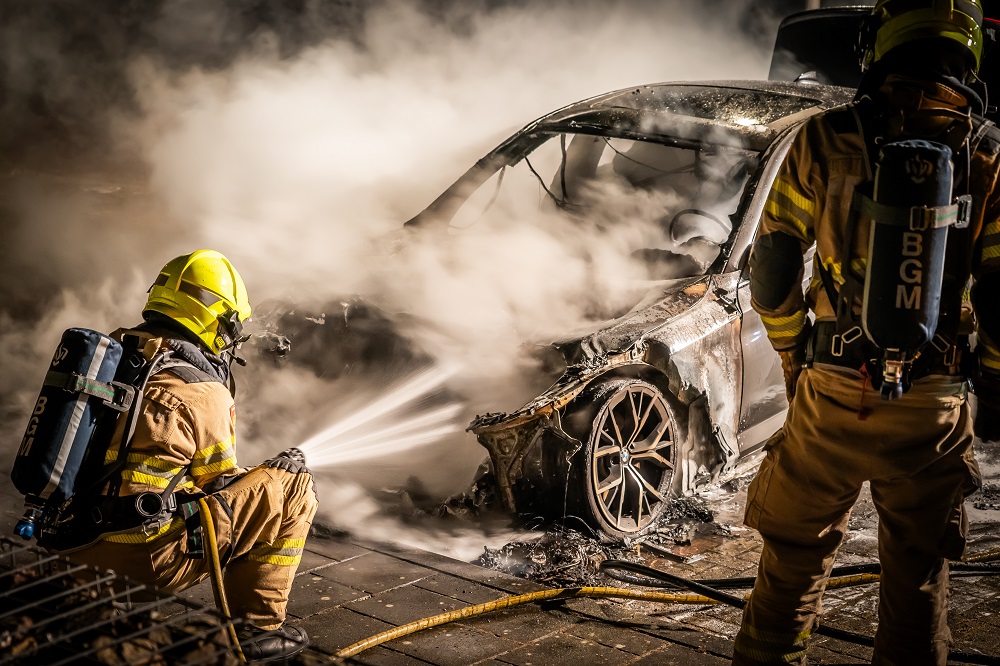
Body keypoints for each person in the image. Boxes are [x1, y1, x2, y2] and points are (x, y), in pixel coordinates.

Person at [732, 1, 1000, 664]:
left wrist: (794, 350)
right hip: (933, 405)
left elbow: (770, 270)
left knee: (792, 566)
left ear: (882, 38)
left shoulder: (823, 138)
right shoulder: (988, 155)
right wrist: (989, 382)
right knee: (916, 578)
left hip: (832, 391)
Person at [62, 249, 319, 662]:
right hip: (135, 560)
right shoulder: (200, 388)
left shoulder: (107, 360)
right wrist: (274, 471)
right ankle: (256, 628)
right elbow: (220, 487)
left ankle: (104, 596)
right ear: (217, 320)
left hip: (65, 547)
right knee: (292, 488)